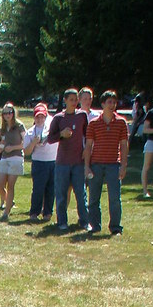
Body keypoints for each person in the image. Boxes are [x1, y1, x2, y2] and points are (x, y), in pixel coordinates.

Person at [84, 89, 128, 235]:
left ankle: (115, 227)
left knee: (115, 198)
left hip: (113, 164)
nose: (112, 105)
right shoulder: (94, 123)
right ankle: (94, 225)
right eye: (109, 102)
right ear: (102, 104)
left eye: (114, 102)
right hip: (96, 164)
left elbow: (123, 145)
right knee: (93, 198)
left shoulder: (121, 122)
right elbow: (89, 146)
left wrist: (123, 165)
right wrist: (87, 166)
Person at [47, 88, 90, 231]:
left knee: (81, 193)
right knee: (61, 194)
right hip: (62, 162)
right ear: (65, 101)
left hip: (78, 161)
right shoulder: (59, 118)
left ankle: (84, 222)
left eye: (76, 99)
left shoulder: (82, 116)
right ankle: (62, 222)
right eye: (71, 99)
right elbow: (50, 139)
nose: (74, 102)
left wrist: (86, 150)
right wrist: (61, 134)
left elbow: (88, 135)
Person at [23, 102, 57, 221]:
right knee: (38, 189)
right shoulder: (31, 132)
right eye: (37, 116)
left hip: (53, 161)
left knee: (51, 189)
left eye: (42, 116)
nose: (40, 119)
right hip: (39, 163)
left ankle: (48, 213)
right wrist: (33, 143)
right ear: (34, 117)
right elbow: (26, 152)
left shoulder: (51, 127)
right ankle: (34, 212)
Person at [0, 103, 26, 220]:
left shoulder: (19, 126)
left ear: (13, 113)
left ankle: (6, 213)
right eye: (5, 113)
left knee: (10, 185)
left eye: (10, 112)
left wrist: (13, 148)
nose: (8, 115)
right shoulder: (2, 128)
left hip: (16, 158)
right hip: (4, 157)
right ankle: (9, 202)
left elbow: (25, 143)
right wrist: (0, 146)